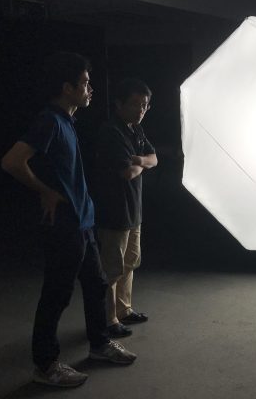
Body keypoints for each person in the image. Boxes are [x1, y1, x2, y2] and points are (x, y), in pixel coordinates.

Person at [1, 52, 137, 388]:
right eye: (85, 83)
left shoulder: (67, 121)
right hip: (64, 226)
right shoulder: (49, 120)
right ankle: (46, 366)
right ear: (67, 88)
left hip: (83, 222)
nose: (90, 89)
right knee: (56, 295)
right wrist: (44, 191)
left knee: (97, 285)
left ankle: (100, 344)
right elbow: (12, 161)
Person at [93, 78, 157, 338]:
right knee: (112, 268)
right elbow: (127, 173)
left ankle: (124, 310)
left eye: (144, 105)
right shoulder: (112, 131)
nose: (140, 110)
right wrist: (142, 164)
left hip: (133, 211)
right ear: (119, 104)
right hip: (114, 212)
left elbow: (154, 159)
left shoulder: (136, 130)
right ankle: (109, 320)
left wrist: (139, 160)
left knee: (130, 262)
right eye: (135, 104)